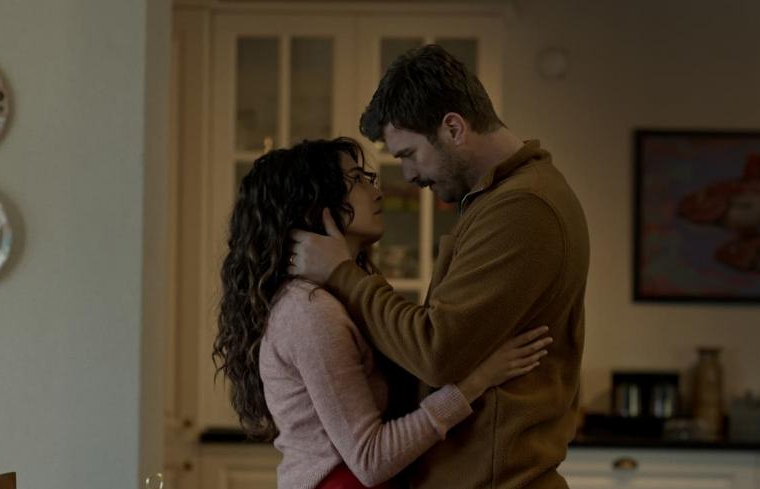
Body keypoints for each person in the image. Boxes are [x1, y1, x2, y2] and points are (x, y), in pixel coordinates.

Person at [288, 46, 590, 489]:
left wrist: (342, 273)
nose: (408, 175)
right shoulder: (499, 200)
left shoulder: (522, 207)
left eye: (409, 154)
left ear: (453, 128)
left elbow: (435, 352)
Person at [214, 137, 554, 489]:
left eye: (369, 178)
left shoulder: (336, 296)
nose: (376, 192)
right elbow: (370, 459)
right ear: (315, 205)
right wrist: (476, 382)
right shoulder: (309, 311)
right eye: (357, 180)